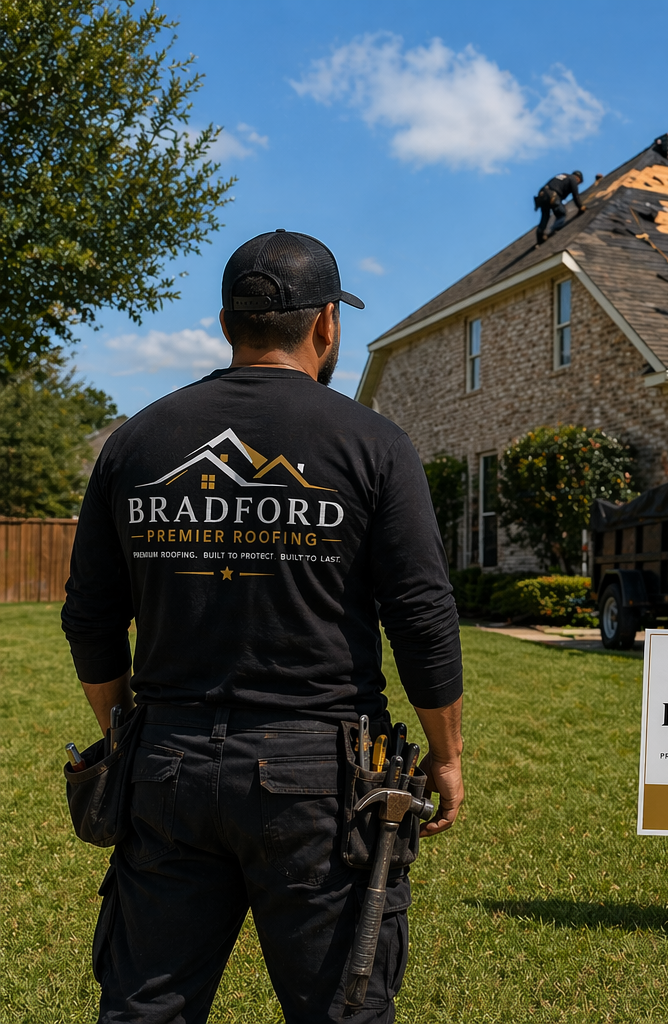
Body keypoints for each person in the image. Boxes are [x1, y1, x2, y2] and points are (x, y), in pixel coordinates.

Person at [61, 229, 465, 1023]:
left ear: (224, 324)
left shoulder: (136, 441)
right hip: (319, 781)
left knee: (145, 1009)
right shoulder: (372, 444)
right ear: (325, 326)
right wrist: (446, 755)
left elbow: (90, 614)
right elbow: (422, 614)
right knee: (339, 1009)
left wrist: (128, 735)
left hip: (166, 767)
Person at [535, 170, 585, 243]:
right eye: (579, 183)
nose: (577, 184)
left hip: (543, 195)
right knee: (562, 213)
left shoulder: (562, 176)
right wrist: (580, 207)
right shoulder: (573, 179)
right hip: (553, 196)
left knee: (545, 216)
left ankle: (540, 237)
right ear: (578, 178)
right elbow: (575, 195)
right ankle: (553, 231)